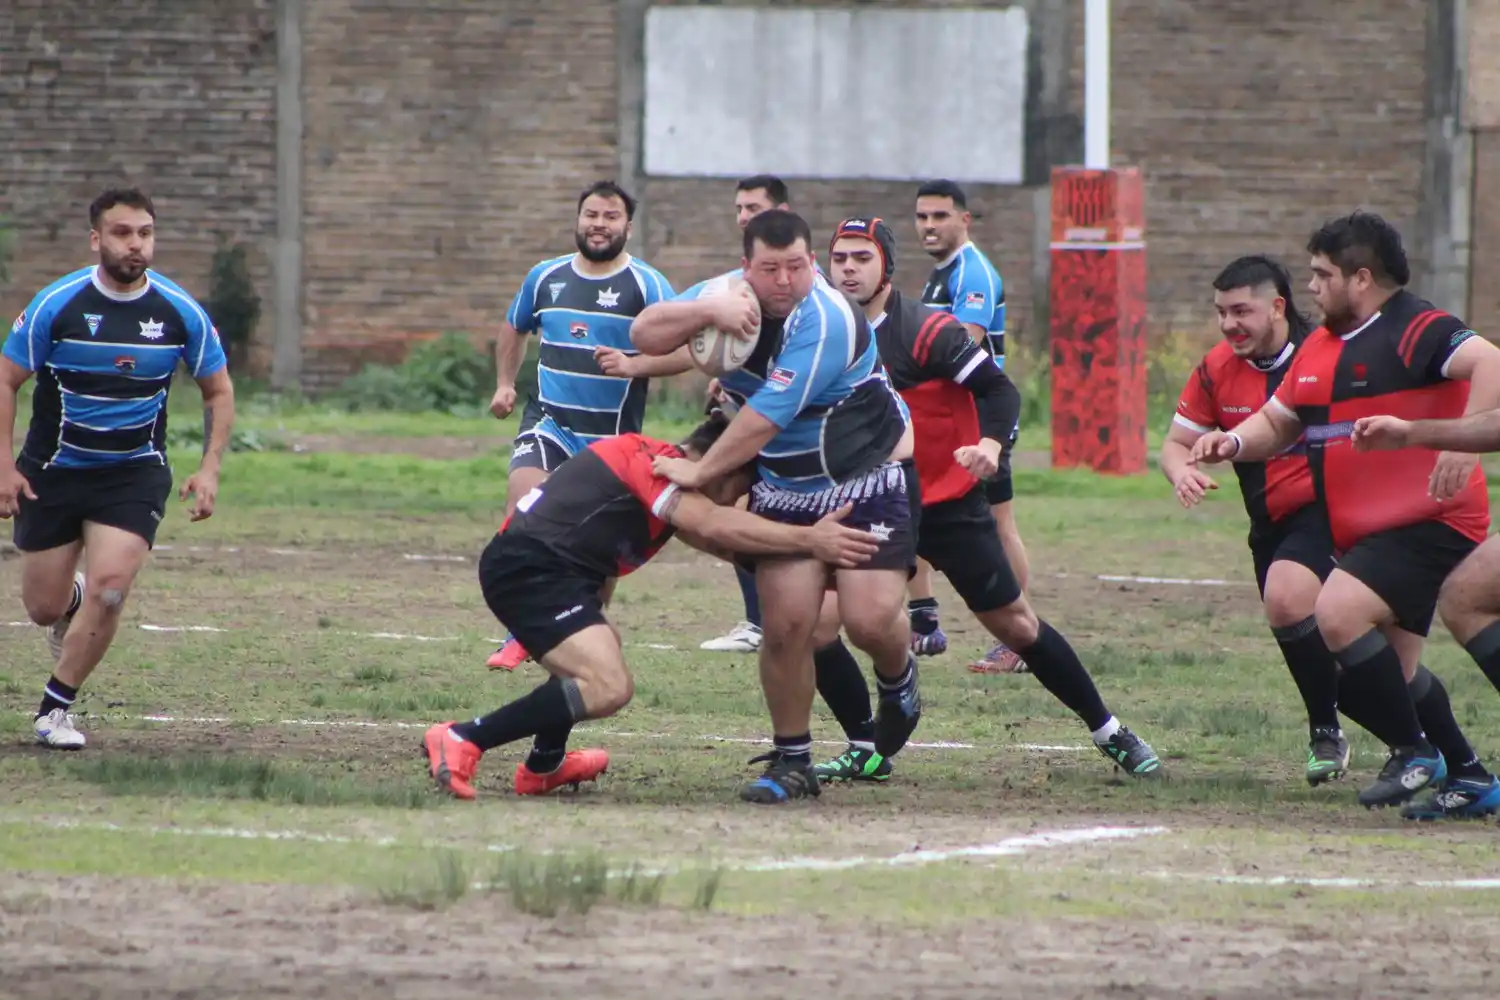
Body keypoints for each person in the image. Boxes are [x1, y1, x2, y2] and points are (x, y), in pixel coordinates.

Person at [810, 217, 1162, 782]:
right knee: (812, 623)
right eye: (840, 258)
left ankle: (1111, 731)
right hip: (873, 504)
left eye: (861, 257)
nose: (848, 268)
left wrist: (991, 445)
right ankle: (865, 746)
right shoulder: (821, 332)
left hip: (947, 505)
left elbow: (999, 389)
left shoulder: (927, 331)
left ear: (887, 267)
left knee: (1017, 627)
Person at [1189, 211, 1500, 811]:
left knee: (1335, 612)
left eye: (1320, 275)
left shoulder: (1418, 328)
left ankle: (1414, 753)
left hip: (1428, 522)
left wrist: (1459, 437)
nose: (1310, 287)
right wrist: (1231, 444)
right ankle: (1468, 776)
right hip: (1367, 533)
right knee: (1396, 675)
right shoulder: (1320, 349)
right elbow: (1278, 423)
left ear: (1360, 279)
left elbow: (1491, 363)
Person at [422, 411, 883, 799]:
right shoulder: (656, 463)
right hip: (529, 571)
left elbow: (733, 545)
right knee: (607, 684)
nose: (743, 499)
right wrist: (810, 538)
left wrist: (836, 574)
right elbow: (718, 525)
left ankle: (544, 766)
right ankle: (463, 737)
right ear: (724, 466)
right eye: (745, 484)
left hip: (553, 573)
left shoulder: (662, 477)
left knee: (594, 652)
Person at [632, 209, 918, 804]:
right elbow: (644, 333)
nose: (786, 280)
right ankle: (793, 761)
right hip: (789, 489)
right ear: (747, 269)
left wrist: (704, 469)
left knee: (868, 621)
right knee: (789, 628)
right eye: (771, 269)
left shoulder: (827, 317)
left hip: (867, 475)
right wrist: (706, 312)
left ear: (812, 262)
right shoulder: (726, 296)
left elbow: (765, 418)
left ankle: (899, 679)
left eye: (797, 266)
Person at [0, 187, 234, 750]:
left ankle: (56, 709)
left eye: (146, 234)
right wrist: (4, 466)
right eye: (124, 233)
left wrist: (210, 468)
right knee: (43, 608)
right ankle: (70, 602)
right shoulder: (58, 304)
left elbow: (218, 391)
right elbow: (7, 380)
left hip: (133, 473)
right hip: (53, 470)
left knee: (112, 590)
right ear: (97, 239)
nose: (136, 245)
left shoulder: (180, 312)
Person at [484, 181, 682, 671]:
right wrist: (505, 384)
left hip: (611, 443)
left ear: (628, 227)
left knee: (595, 552)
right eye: (591, 214)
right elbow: (514, 325)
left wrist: (634, 365)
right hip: (550, 423)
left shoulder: (648, 285)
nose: (599, 224)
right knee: (524, 503)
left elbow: (690, 350)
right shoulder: (545, 277)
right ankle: (521, 628)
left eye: (610, 216)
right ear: (578, 219)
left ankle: (578, 630)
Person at [913, 179, 1029, 673]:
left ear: (965, 219)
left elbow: (966, 340)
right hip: (948, 426)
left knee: (1000, 526)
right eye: (922, 217)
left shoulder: (972, 271)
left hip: (981, 426)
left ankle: (1020, 639)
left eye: (940, 216)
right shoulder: (939, 275)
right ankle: (923, 616)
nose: (929, 226)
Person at [701, 174, 794, 656]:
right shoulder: (737, 284)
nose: (742, 217)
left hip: (796, 430)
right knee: (726, 511)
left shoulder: (794, 286)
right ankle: (761, 621)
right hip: (754, 419)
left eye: (753, 208)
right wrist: (725, 373)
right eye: (738, 208)